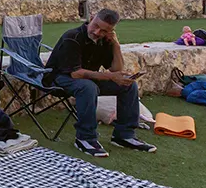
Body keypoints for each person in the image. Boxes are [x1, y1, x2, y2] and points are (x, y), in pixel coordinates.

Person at [43, 9, 156, 158]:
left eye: (104, 31)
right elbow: (75, 73)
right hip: (59, 78)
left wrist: (115, 44)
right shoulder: (72, 37)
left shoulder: (105, 41)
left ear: (111, 31)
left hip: (87, 79)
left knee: (128, 85)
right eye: (95, 26)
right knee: (88, 87)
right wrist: (110, 77)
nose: (97, 32)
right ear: (91, 18)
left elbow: (116, 68)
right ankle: (85, 138)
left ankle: (124, 136)